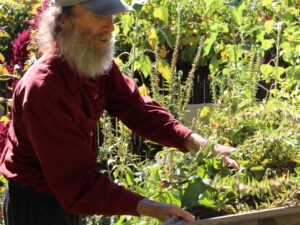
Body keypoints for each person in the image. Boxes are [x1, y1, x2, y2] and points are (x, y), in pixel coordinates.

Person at [0, 0, 238, 224]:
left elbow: (137, 109)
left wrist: (199, 144)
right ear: (63, 20)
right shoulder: (42, 92)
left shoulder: (88, 60)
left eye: (111, 15)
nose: (111, 26)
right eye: (98, 15)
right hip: (35, 209)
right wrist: (153, 208)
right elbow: (79, 185)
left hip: (64, 197)